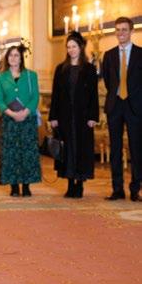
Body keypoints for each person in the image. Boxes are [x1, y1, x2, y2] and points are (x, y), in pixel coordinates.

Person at [48, 31, 99, 198]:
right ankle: (70, 184)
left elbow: (93, 95)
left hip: (83, 118)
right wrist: (53, 117)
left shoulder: (89, 69)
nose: (71, 50)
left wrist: (93, 117)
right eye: (68, 47)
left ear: (81, 47)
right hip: (64, 117)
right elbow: (55, 95)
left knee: (81, 149)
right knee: (67, 150)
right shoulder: (60, 69)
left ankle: (80, 185)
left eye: (74, 46)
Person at [101, 16, 142, 201]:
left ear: (132, 31)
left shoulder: (140, 54)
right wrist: (116, 96)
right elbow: (108, 81)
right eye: (118, 30)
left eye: (124, 29)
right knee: (115, 149)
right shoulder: (109, 55)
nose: (121, 33)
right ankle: (117, 189)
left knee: (137, 148)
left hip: (136, 108)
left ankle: (135, 189)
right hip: (115, 106)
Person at [0, 45, 41, 197]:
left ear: (21, 58)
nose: (13, 58)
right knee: (11, 153)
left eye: (16, 55)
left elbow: (35, 97)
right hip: (9, 120)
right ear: (7, 58)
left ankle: (26, 186)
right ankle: (14, 186)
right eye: (10, 55)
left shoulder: (31, 75)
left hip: (28, 119)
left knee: (27, 152)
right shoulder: (2, 77)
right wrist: (12, 114)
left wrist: (25, 112)